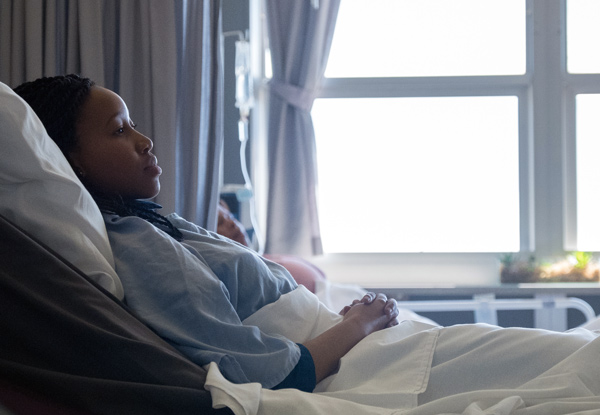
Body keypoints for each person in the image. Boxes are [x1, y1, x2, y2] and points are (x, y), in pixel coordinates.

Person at [13, 74, 400, 392]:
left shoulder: (150, 223)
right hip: (331, 377)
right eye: (119, 131)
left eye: (133, 126)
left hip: (340, 353)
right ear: (71, 160)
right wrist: (358, 324)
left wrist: (349, 323)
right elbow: (275, 374)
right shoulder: (136, 247)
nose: (145, 142)